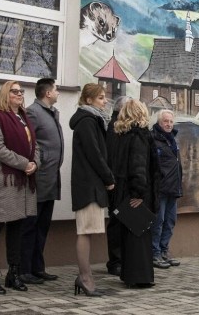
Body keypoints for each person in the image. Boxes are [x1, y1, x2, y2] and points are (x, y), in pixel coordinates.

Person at [0, 81, 39, 295]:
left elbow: (35, 146)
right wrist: (25, 164)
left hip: (22, 180)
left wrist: (35, 164)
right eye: (15, 91)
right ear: (6, 94)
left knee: (17, 224)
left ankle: (13, 273)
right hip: (1, 179)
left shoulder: (24, 119)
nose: (19, 95)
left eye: (22, 91)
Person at [69, 84, 115, 296]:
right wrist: (108, 177)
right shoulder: (87, 122)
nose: (105, 101)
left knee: (88, 231)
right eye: (101, 98)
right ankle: (85, 278)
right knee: (85, 231)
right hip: (88, 185)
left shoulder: (92, 120)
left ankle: (86, 276)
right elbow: (94, 154)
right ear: (88, 100)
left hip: (92, 184)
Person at [19, 78, 63, 285]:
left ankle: (38, 268)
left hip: (52, 178)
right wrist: (38, 163)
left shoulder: (53, 112)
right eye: (56, 89)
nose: (58, 92)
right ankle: (24, 269)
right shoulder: (33, 112)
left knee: (43, 226)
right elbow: (27, 142)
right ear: (47, 93)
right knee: (30, 225)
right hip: (38, 178)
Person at [109, 99, 157, 288]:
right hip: (135, 192)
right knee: (140, 235)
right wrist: (139, 193)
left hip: (122, 191)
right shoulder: (138, 135)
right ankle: (140, 277)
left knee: (128, 235)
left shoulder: (121, 134)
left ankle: (130, 275)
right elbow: (138, 167)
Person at [151, 109, 183, 268]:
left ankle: (164, 251)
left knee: (170, 222)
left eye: (171, 121)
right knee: (158, 221)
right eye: (166, 121)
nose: (169, 124)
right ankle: (154, 253)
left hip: (173, 188)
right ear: (159, 122)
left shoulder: (172, 140)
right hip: (161, 189)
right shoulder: (153, 139)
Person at [105, 95, 131, 277]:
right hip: (116, 184)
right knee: (116, 222)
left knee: (124, 221)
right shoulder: (114, 128)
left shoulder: (124, 127)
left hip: (124, 183)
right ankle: (115, 261)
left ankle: (124, 259)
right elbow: (113, 158)